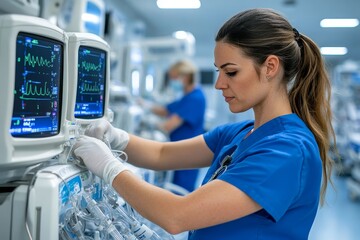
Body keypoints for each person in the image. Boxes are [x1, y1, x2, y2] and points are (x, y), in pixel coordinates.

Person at [73, 8, 336, 239]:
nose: (220, 83)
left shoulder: (287, 150)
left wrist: (109, 168)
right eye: (219, 70)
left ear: (270, 67)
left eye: (231, 72)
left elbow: (176, 216)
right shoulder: (241, 134)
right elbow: (162, 154)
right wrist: (118, 138)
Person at [150, 60, 206, 192]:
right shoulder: (187, 96)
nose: (172, 82)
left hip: (187, 154)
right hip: (181, 151)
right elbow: (166, 110)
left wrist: (151, 125)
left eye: (174, 78)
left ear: (184, 77)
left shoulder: (195, 98)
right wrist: (145, 106)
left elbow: (169, 126)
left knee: (180, 191)